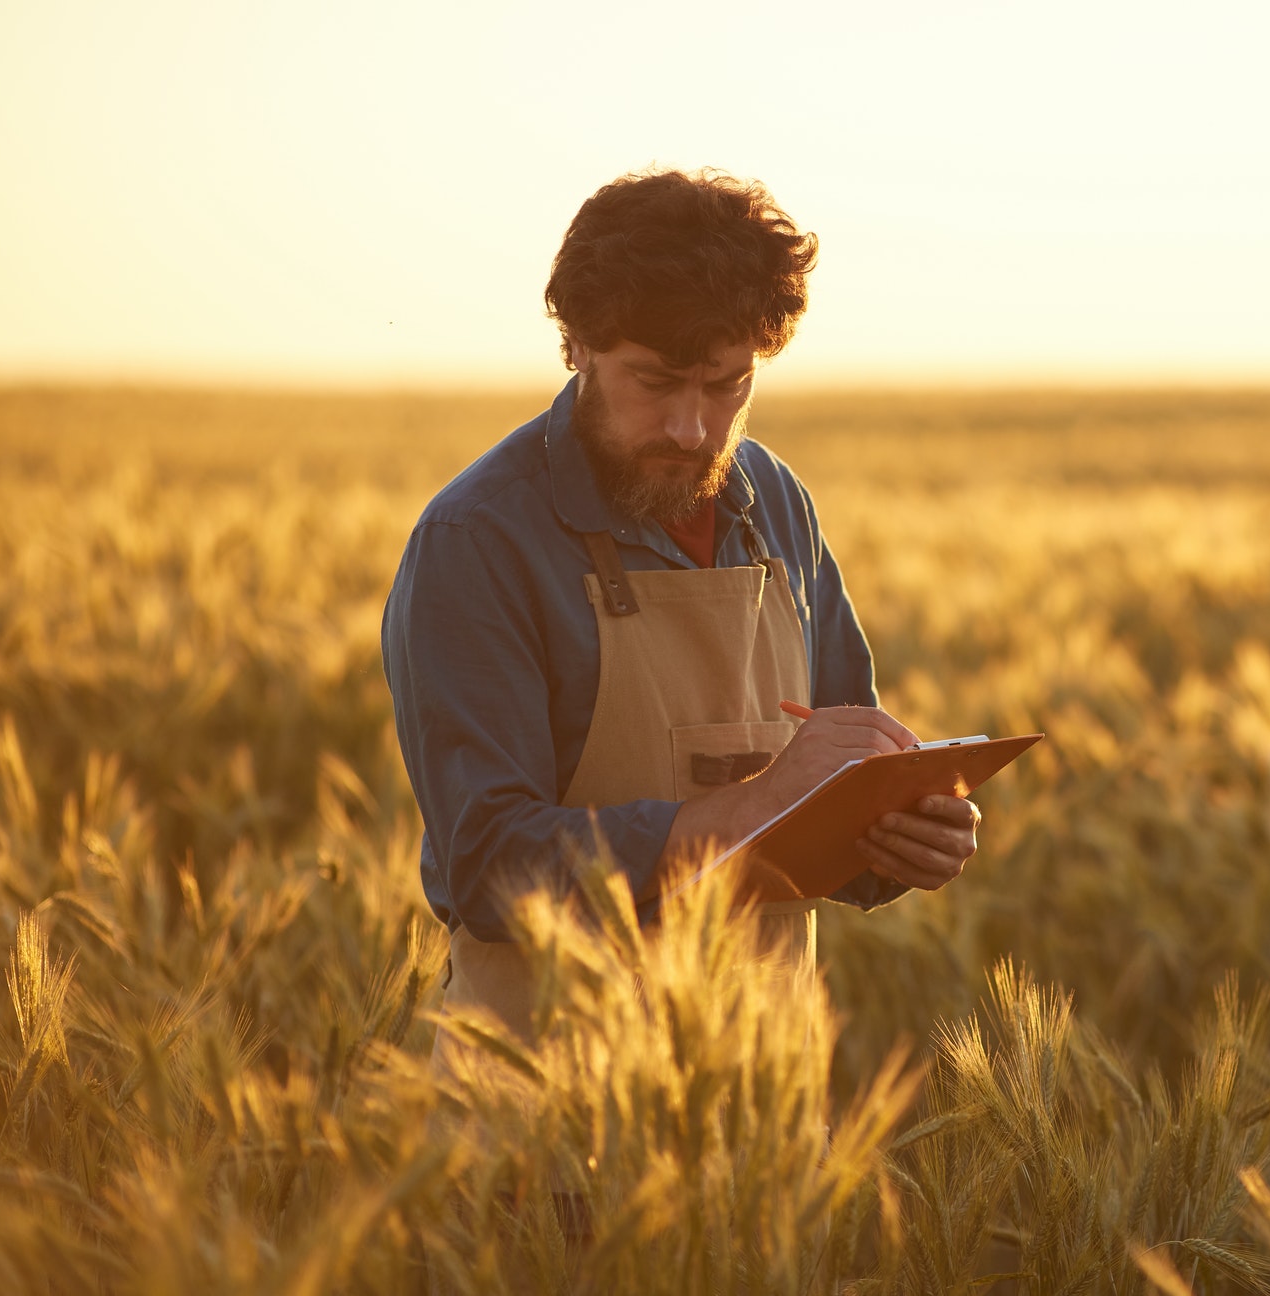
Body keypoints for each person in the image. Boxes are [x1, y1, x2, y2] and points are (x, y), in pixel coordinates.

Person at [381, 168, 979, 1041]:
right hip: (544, 1123)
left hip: (755, 1112)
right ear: (578, 344)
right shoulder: (478, 541)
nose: (693, 428)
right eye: (655, 382)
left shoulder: (778, 506)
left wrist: (894, 842)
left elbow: (836, 780)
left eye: (727, 382)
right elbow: (491, 864)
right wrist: (754, 805)